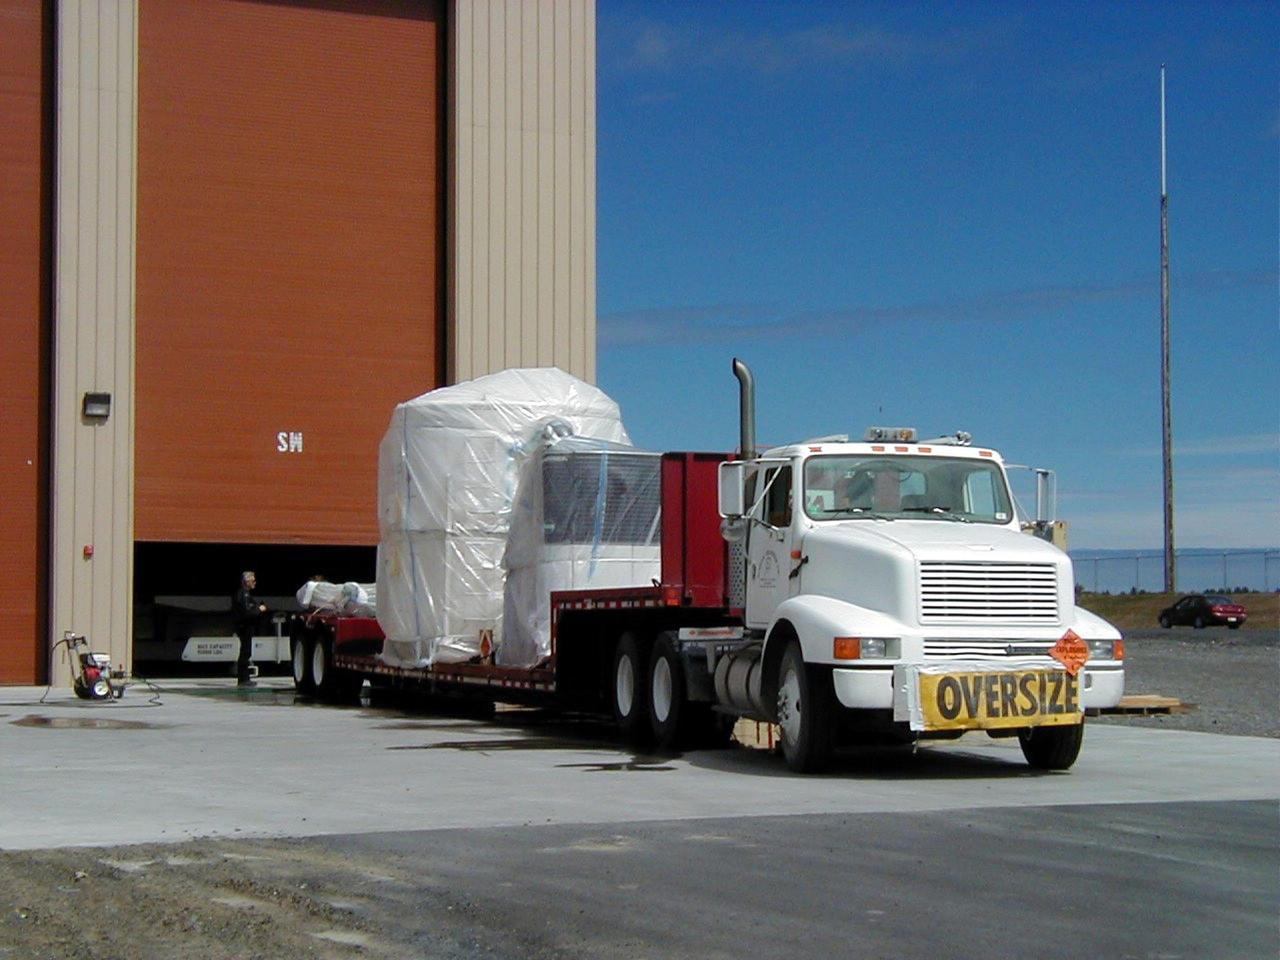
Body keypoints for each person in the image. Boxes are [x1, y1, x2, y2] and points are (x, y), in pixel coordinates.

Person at [233, 571, 267, 686]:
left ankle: (244, 678)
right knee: (245, 652)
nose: (254, 583)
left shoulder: (243, 593)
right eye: (253, 580)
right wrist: (259, 609)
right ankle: (243, 679)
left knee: (246, 651)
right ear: (247, 581)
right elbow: (248, 612)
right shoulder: (243, 594)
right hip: (245, 626)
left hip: (245, 626)